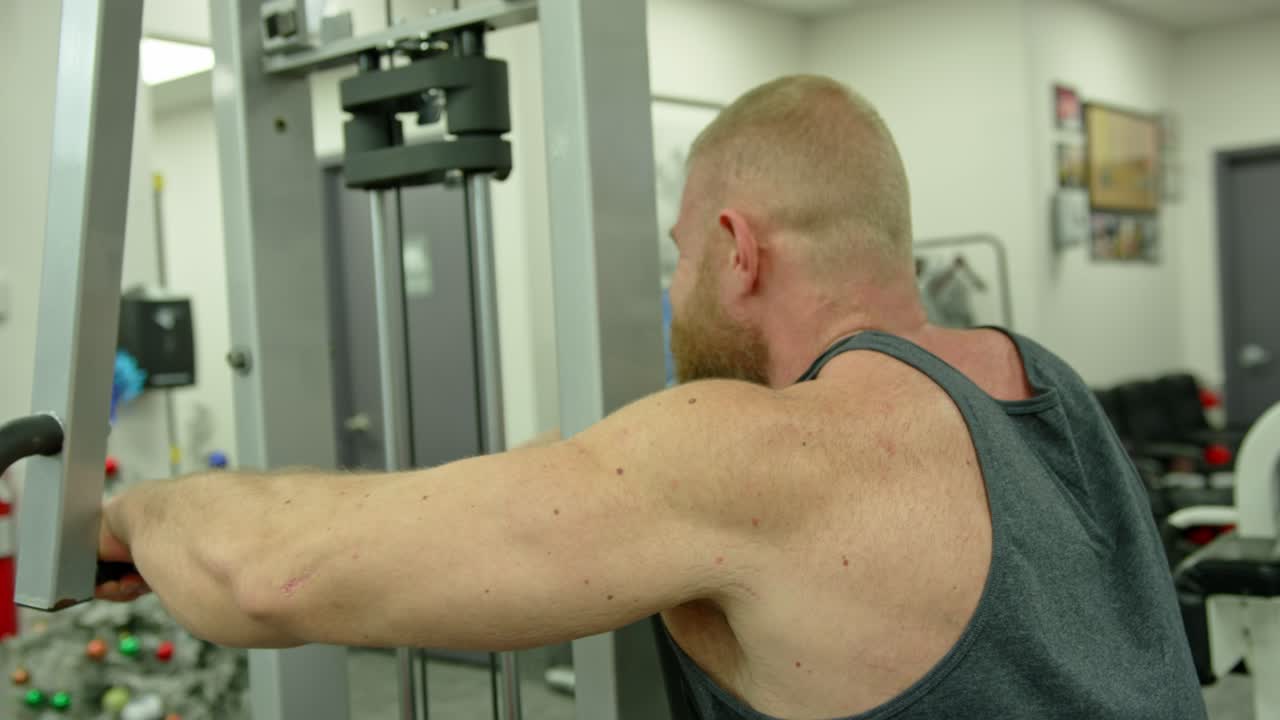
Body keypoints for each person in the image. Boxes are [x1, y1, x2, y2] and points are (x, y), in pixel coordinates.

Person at [96, 75, 1206, 719]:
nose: (674, 288)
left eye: (678, 256)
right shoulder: (1036, 380)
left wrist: (132, 513)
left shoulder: (761, 458)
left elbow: (272, 576)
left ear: (736, 248)